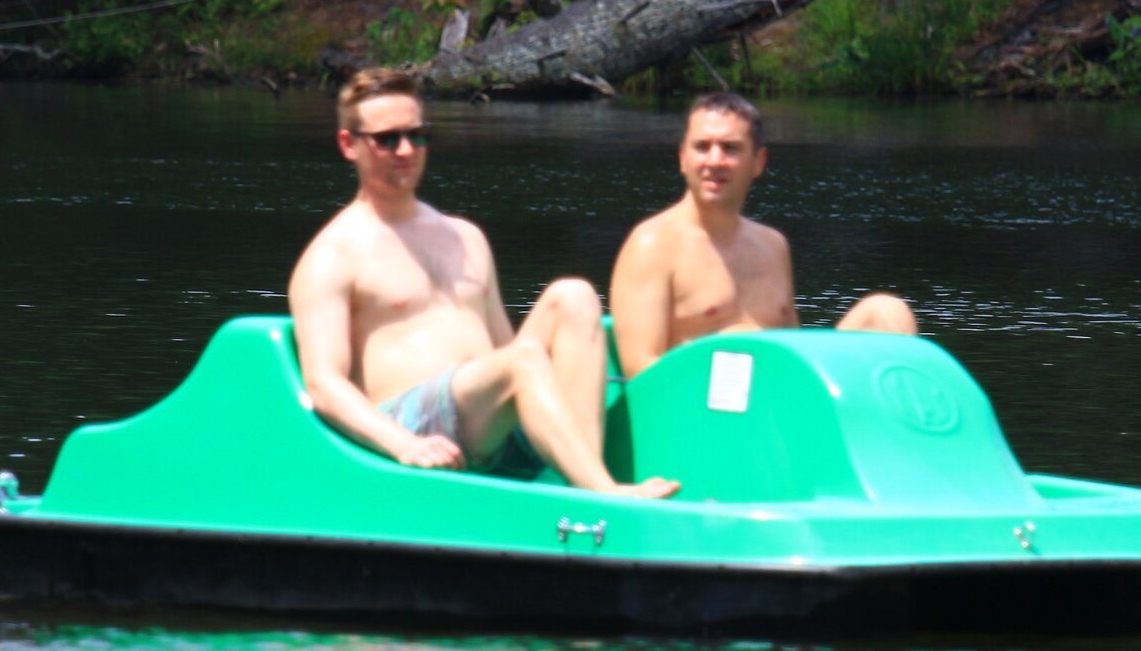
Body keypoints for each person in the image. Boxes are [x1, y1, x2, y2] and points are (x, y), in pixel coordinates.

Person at [289, 68, 677, 497]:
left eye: (417, 136)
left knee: (575, 296)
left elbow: (504, 351)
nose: (406, 150)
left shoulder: (465, 237)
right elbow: (324, 384)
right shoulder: (333, 255)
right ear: (349, 144)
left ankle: (581, 482)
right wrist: (403, 444)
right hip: (413, 428)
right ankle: (602, 492)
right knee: (524, 361)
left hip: (487, 421)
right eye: (388, 139)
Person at [608, 91, 917, 379]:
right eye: (702, 147)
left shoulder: (772, 245)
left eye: (730, 148)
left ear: (758, 162)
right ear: (683, 158)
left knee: (887, 313)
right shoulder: (651, 245)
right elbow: (640, 369)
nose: (714, 161)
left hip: (780, 399)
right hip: (700, 405)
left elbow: (793, 347)